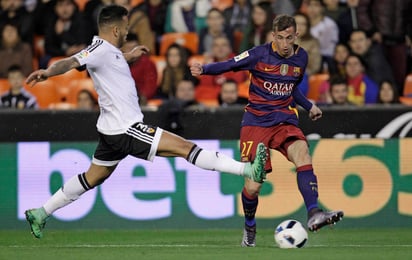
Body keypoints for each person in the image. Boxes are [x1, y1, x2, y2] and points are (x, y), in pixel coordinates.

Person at [24, 5, 267, 239]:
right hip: (126, 129)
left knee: (92, 177)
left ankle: (41, 212)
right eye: (126, 27)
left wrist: (128, 56)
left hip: (111, 131)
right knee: (185, 148)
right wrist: (47, 72)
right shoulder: (97, 50)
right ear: (116, 30)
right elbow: (71, 62)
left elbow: (110, 62)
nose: (128, 31)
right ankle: (246, 169)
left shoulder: (109, 51)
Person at [191, 14, 344, 247]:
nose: (284, 43)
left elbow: (291, 88)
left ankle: (314, 212)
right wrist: (204, 69)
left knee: (302, 152)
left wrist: (308, 105)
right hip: (256, 123)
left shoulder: (301, 57)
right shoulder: (258, 54)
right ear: (273, 36)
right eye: (280, 38)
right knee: (253, 185)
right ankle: (250, 227)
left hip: (284, 119)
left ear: (296, 36)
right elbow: (230, 64)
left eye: (289, 38)